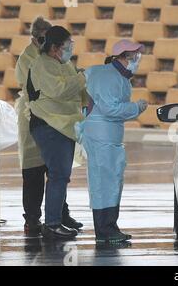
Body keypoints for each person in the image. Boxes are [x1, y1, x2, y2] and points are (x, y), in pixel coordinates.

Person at [14, 17, 82, 236]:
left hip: (59, 121)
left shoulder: (60, 60)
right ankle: (34, 219)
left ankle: (59, 216)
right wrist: (81, 80)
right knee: (36, 173)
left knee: (58, 174)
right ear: (37, 38)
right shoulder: (31, 59)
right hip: (40, 118)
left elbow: (70, 85)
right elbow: (53, 90)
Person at [76, 40, 148, 243]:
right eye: (135, 56)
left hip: (107, 136)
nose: (137, 60)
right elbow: (110, 108)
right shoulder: (109, 76)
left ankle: (109, 227)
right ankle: (105, 229)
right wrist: (136, 108)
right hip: (102, 136)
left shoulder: (113, 75)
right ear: (125, 57)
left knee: (110, 181)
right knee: (104, 182)